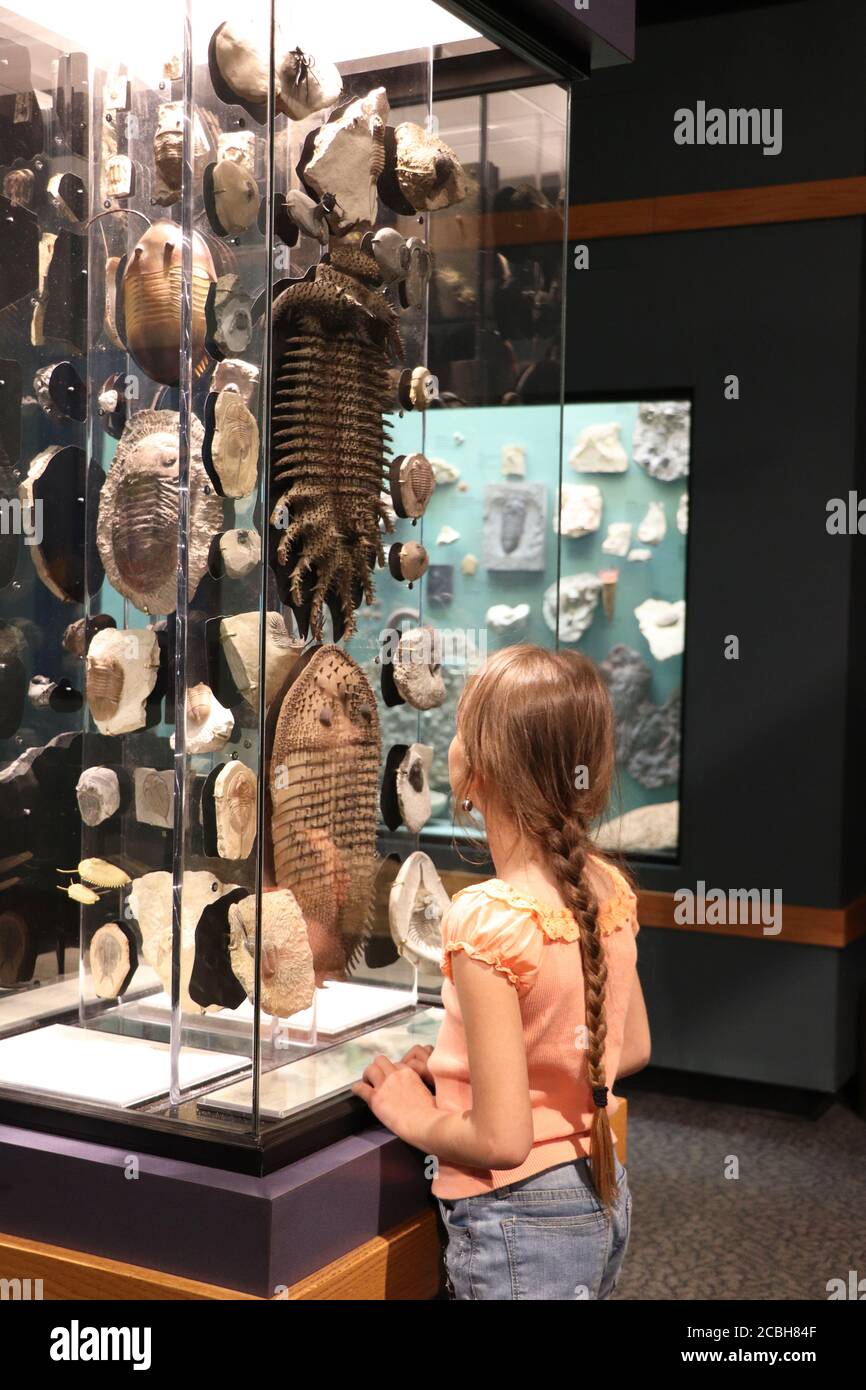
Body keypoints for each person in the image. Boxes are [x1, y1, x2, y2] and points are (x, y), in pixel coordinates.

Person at [352, 645, 651, 1300]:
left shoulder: (487, 918)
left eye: (461, 727)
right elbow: (627, 1048)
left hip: (517, 1218)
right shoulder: (608, 888)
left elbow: (502, 1138)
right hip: (597, 1187)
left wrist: (412, 1113)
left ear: (476, 773)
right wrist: (474, 1068)